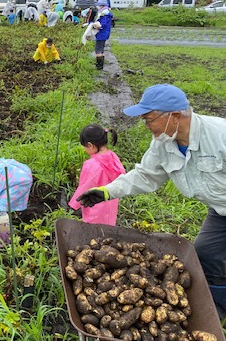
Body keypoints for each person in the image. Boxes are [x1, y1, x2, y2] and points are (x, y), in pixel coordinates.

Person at [76, 84, 226, 316]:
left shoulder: (219, 135)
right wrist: (106, 192)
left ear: (174, 116)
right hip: (220, 210)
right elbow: (146, 175)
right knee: (204, 254)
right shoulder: (163, 143)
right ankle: (216, 310)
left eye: (148, 119)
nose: (146, 126)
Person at [69, 124, 125, 225]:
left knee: (93, 232)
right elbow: (122, 175)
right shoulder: (113, 156)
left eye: (85, 147)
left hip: (94, 206)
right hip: (110, 202)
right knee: (108, 229)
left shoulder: (91, 164)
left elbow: (85, 187)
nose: (85, 150)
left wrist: (74, 204)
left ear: (90, 145)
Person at [94, 0, 113, 70]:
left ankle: (99, 65)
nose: (99, 7)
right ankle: (101, 65)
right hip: (105, 34)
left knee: (98, 49)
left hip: (101, 34)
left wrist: (96, 25)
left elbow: (102, 24)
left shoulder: (104, 14)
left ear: (102, 6)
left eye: (100, 5)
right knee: (101, 48)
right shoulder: (107, 13)